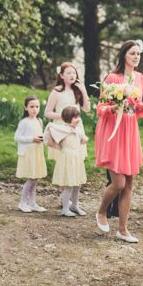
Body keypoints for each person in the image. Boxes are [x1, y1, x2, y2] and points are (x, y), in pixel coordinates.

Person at [94, 39, 143, 243]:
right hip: (113, 131)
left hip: (130, 130)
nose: (136, 57)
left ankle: (123, 229)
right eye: (132, 53)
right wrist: (113, 108)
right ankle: (101, 211)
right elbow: (100, 108)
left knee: (129, 183)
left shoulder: (140, 78)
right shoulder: (112, 77)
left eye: (138, 54)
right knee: (118, 182)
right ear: (124, 55)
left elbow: (136, 108)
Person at [44, 62, 91, 212]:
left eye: (74, 73)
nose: (72, 75)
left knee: (76, 162)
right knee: (64, 163)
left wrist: (83, 90)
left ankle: (73, 202)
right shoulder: (57, 91)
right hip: (62, 129)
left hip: (77, 129)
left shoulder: (77, 91)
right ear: (61, 75)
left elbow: (87, 109)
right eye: (68, 73)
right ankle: (65, 199)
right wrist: (65, 116)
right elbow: (47, 113)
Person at [45, 105, 88, 216]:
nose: (78, 119)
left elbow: (82, 140)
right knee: (69, 184)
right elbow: (51, 141)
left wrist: (84, 139)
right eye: (75, 117)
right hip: (67, 158)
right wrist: (51, 132)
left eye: (78, 116)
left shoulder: (77, 129)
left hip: (76, 158)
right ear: (68, 119)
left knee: (77, 184)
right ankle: (64, 208)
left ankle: (74, 205)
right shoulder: (62, 130)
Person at [14, 96, 48, 213]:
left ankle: (32, 203)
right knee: (31, 178)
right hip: (28, 152)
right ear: (26, 108)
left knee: (35, 178)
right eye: (31, 107)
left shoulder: (39, 121)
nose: (34, 109)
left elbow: (40, 134)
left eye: (37, 107)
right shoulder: (24, 122)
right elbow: (17, 137)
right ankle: (22, 202)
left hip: (37, 152)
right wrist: (32, 139)